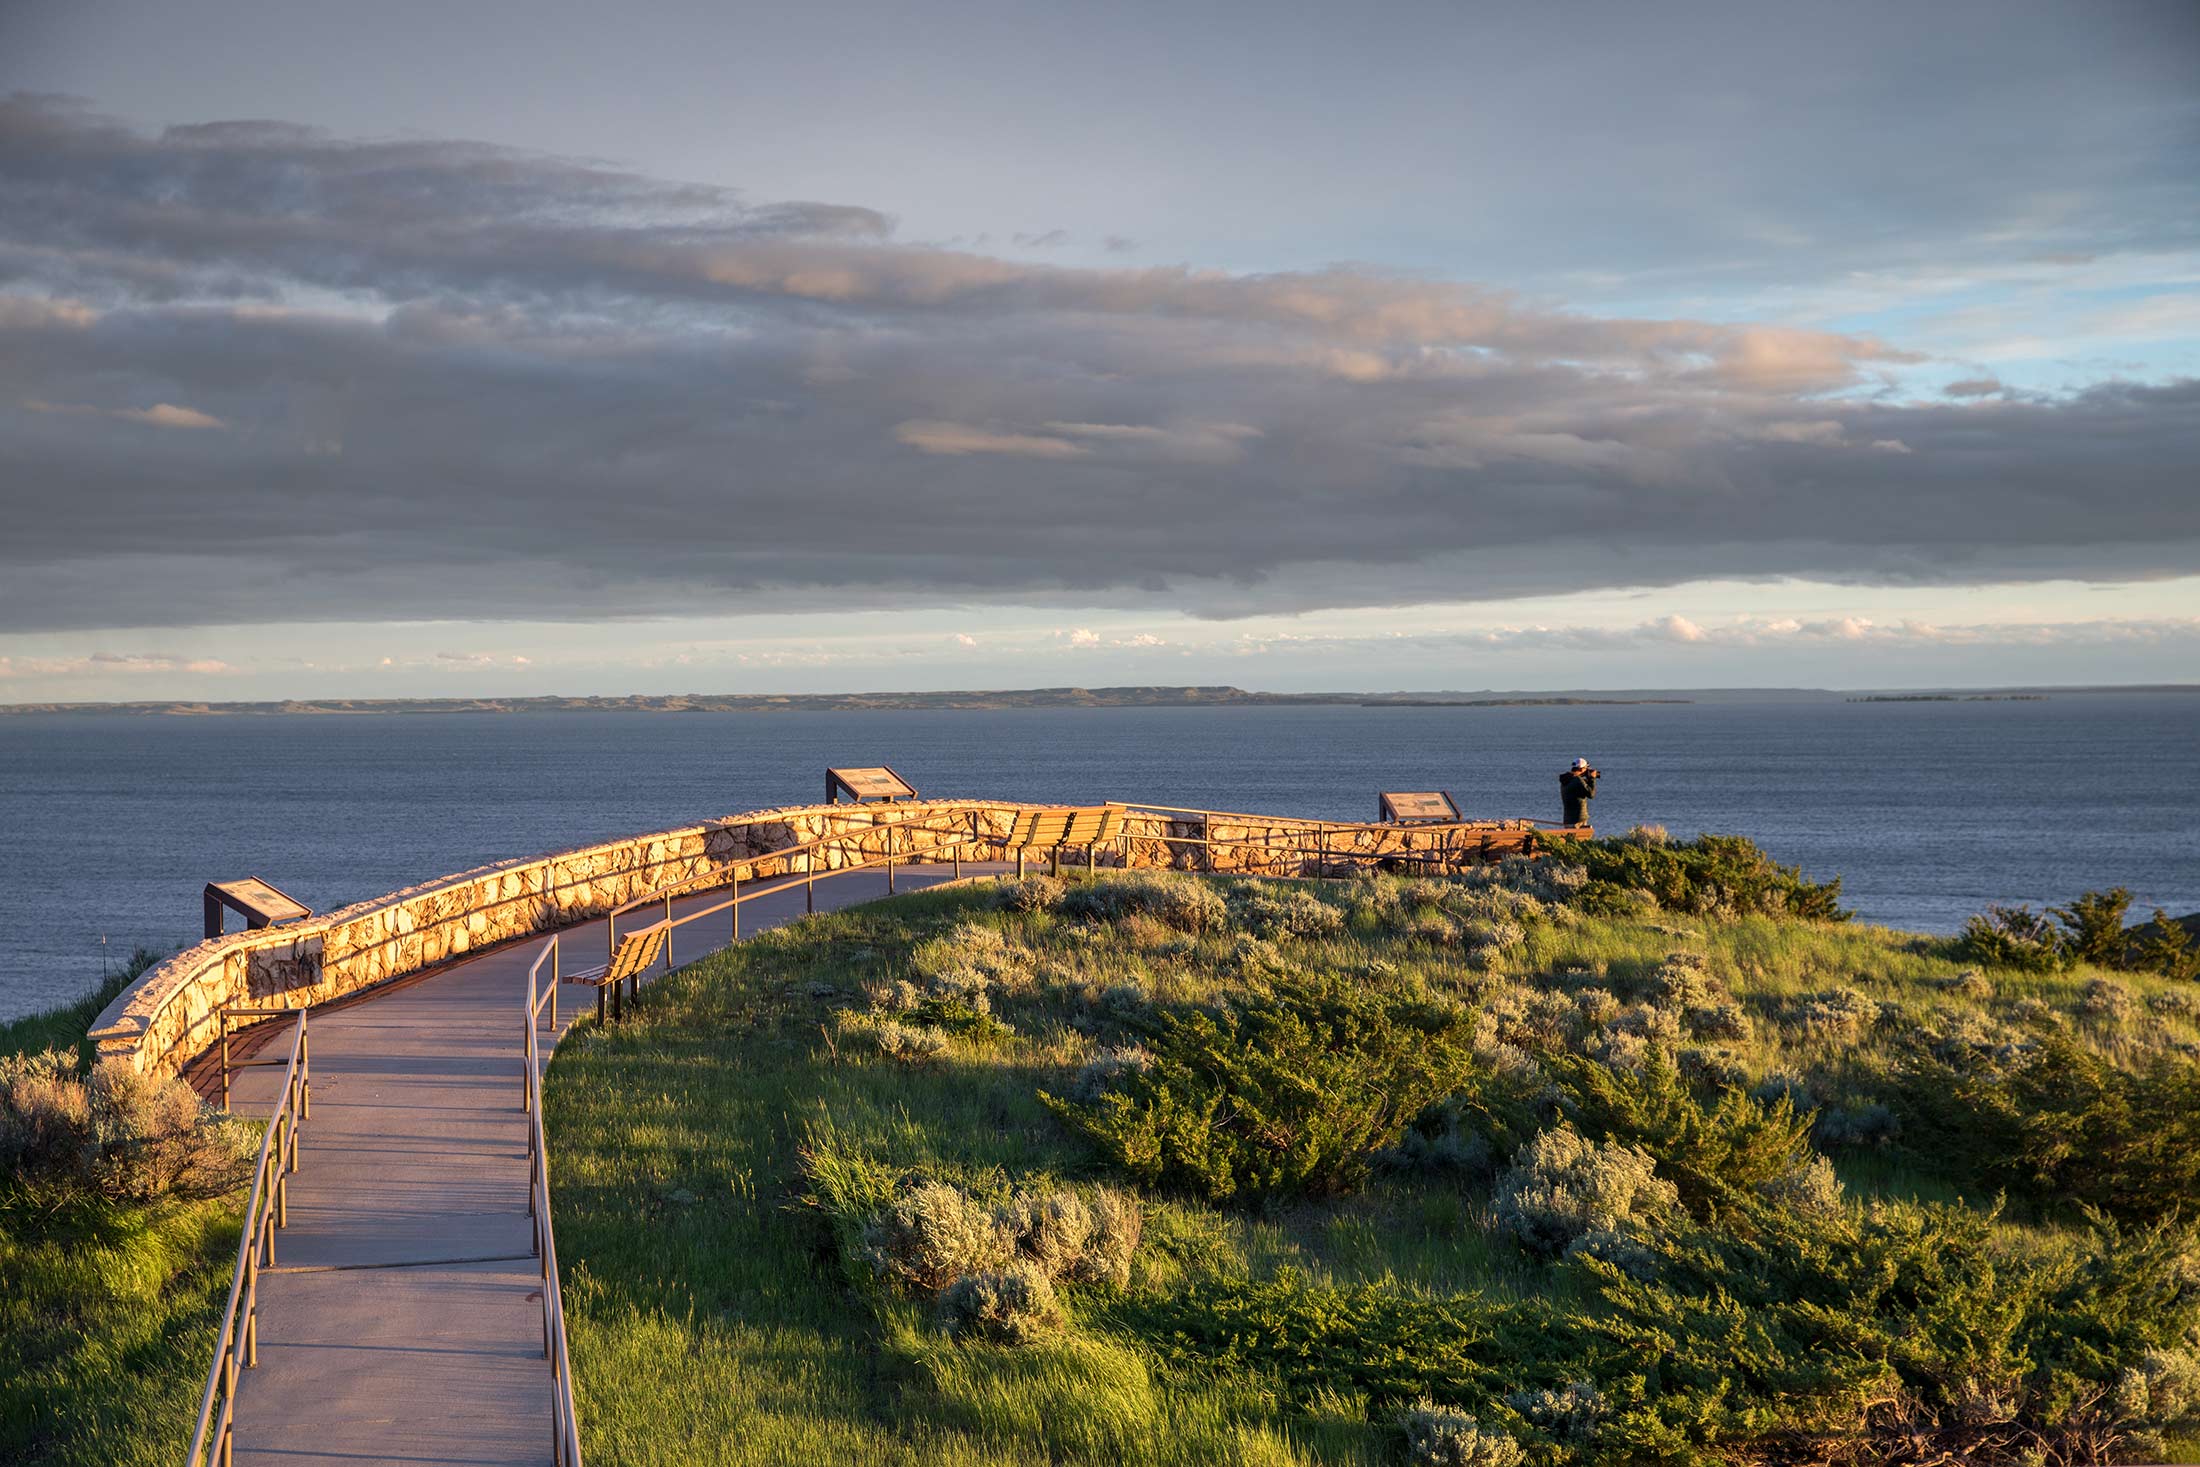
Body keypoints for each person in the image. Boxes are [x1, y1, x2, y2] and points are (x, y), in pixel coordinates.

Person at [1559, 757, 1599, 827]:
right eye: (1586, 768)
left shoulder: (1566, 779)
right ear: (1581, 769)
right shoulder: (1577, 780)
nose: (1587, 770)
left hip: (1568, 819)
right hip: (1579, 820)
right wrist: (1592, 779)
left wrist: (1587, 780)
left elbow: (1579, 789)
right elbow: (1591, 794)